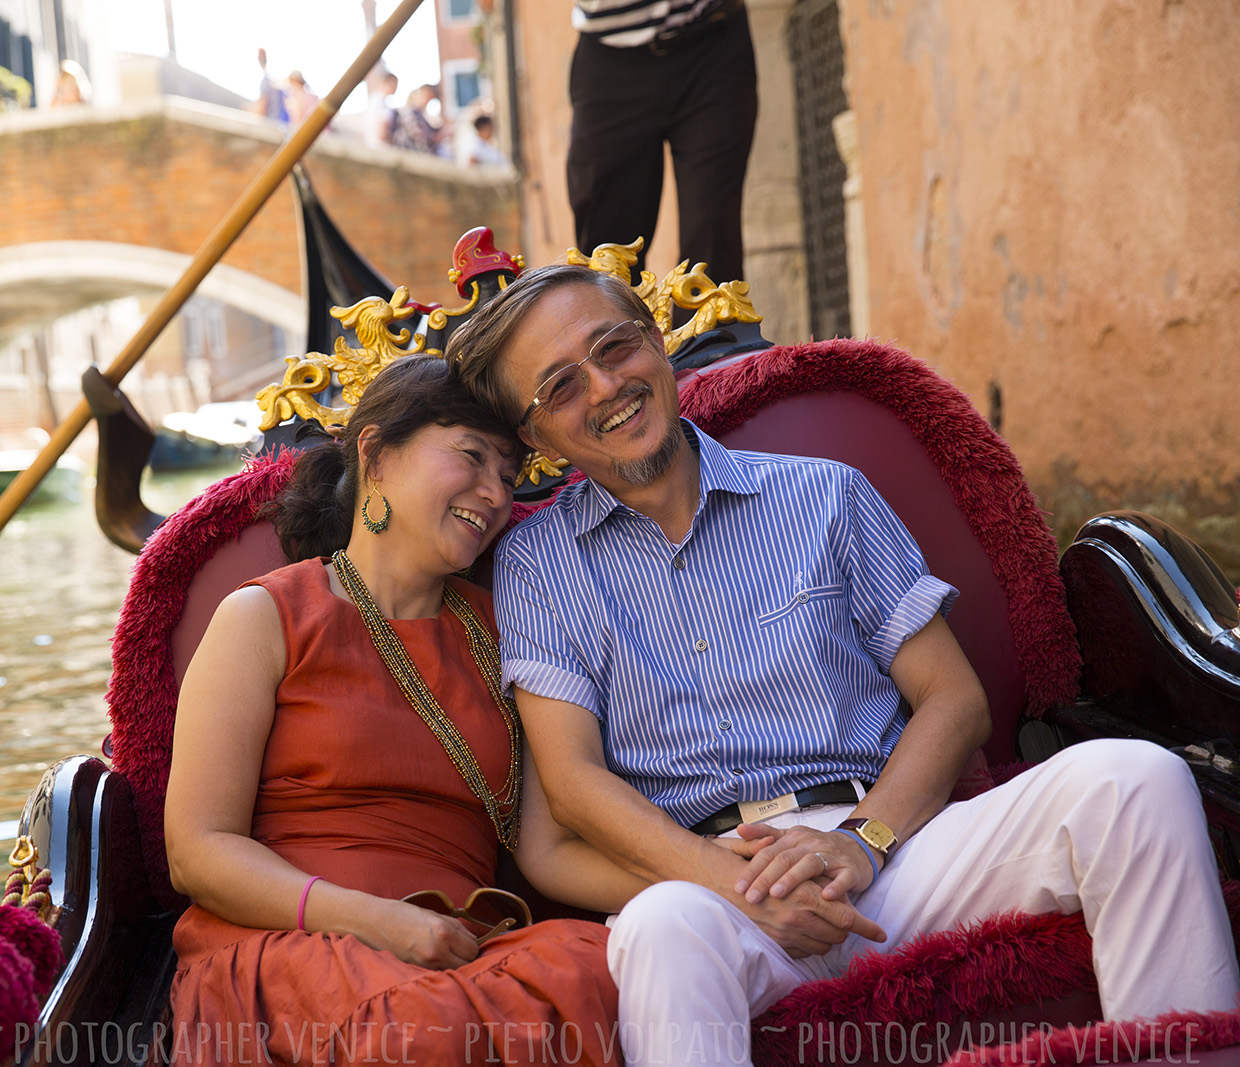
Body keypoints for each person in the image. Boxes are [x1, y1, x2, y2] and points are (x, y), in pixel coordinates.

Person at [445, 264, 1240, 1065]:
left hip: (892, 850)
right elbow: (573, 783)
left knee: (1136, 780)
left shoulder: (826, 494)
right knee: (657, 928)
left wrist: (863, 842)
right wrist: (737, 887)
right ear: (537, 438)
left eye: (614, 346)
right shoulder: (539, 564)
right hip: (710, 883)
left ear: (655, 344)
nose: (606, 385)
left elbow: (952, 699)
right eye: (559, 387)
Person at [163, 357, 644, 1064]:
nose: (494, 493)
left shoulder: (514, 630)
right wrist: (378, 921)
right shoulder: (264, 615)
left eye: (508, 474)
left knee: (600, 965)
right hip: (286, 945)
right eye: (472, 456)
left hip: (456, 948)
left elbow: (549, 847)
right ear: (376, 454)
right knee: (423, 1025)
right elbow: (197, 851)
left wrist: (713, 875)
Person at [567, 0, 758, 284]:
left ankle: (711, 331)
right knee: (607, 257)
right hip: (609, 59)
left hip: (712, 41)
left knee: (713, 237)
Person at [391, 83, 441, 154]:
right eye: (427, 97)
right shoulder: (409, 112)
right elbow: (422, 138)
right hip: (412, 155)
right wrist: (441, 136)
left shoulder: (420, 113)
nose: (427, 101)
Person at [364, 70, 399, 147]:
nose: (396, 89)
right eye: (395, 85)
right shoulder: (381, 103)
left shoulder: (374, 99)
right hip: (380, 146)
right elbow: (382, 131)